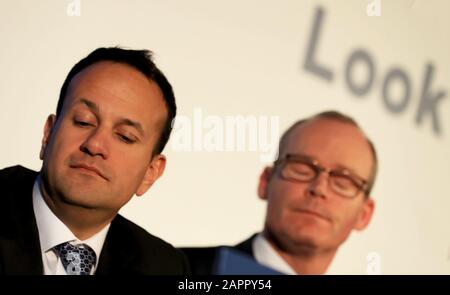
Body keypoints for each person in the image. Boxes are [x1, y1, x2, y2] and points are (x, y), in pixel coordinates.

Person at [0, 47, 189, 275]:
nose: (95, 145)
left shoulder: (164, 267)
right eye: (83, 122)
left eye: (124, 136)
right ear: (48, 134)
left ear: (150, 172)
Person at [182, 111, 377, 275]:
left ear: (364, 215)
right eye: (302, 168)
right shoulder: (176, 269)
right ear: (265, 182)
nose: (319, 188)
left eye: (343, 181)